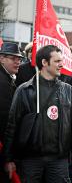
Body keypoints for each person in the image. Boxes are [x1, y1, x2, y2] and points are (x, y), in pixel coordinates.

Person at [4, 45, 72, 183]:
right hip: (30, 161)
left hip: (59, 161)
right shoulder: (24, 90)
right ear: (44, 63)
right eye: (57, 61)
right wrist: (8, 159)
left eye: (62, 60)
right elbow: (12, 127)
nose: (61, 64)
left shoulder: (68, 91)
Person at [0, 42, 22, 182]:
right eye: (13, 58)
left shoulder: (7, 78)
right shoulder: (2, 82)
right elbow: (6, 121)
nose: (18, 62)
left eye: (19, 59)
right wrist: (7, 157)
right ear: (2, 58)